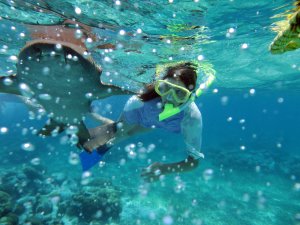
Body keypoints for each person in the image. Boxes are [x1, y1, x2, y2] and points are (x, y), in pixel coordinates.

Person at [80, 61, 215, 182]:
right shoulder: (139, 101)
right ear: (159, 85)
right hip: (143, 114)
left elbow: (194, 162)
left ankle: (94, 118)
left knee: (124, 132)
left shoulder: (191, 117)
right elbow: (117, 130)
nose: (168, 98)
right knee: (118, 133)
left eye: (179, 93)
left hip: (157, 122)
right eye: (165, 88)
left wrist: (164, 169)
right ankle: (93, 118)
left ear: (190, 96)